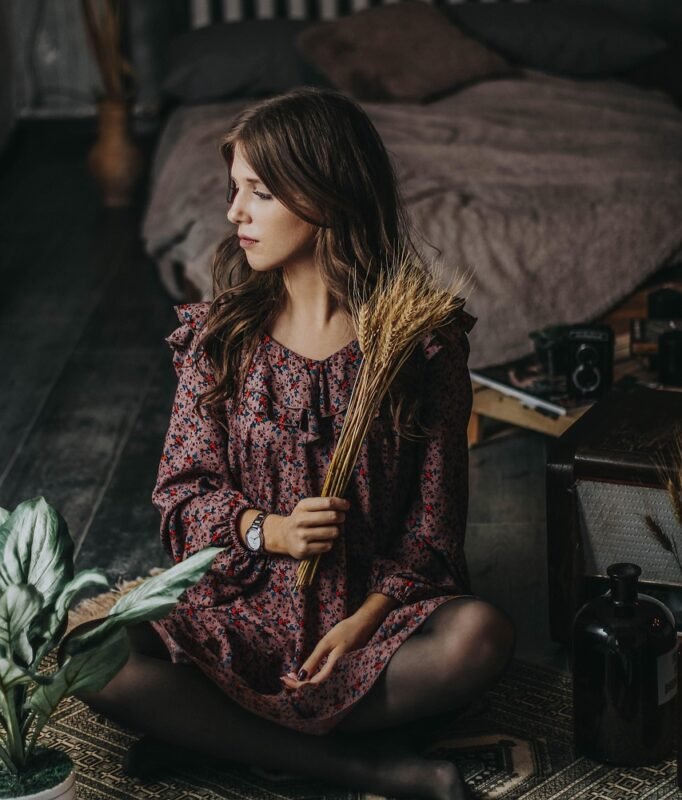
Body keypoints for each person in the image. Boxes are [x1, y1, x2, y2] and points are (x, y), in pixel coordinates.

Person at [70, 88, 514, 800]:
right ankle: (365, 765)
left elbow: (432, 534)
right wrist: (266, 530)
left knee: (481, 637)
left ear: (326, 196)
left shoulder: (418, 349)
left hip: (372, 618)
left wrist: (362, 626)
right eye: (234, 190)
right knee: (89, 648)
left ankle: (217, 738)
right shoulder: (219, 338)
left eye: (260, 193)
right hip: (237, 610)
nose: (234, 214)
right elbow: (180, 499)